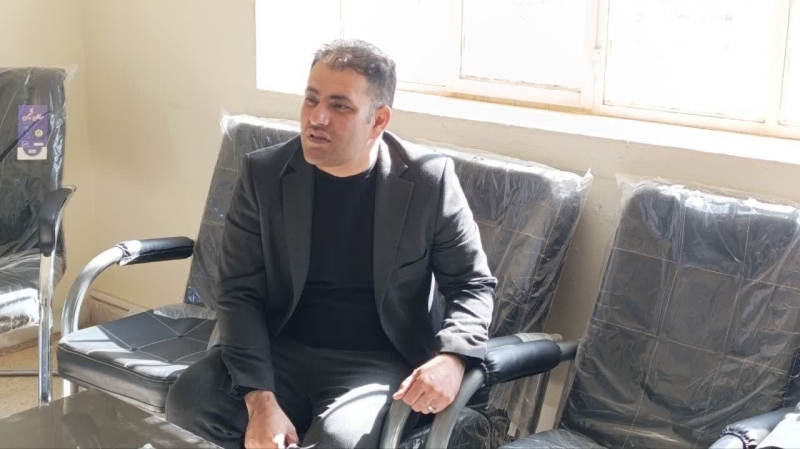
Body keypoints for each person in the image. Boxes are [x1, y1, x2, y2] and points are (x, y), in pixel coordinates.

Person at [165, 39, 496, 449]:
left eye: (339, 106)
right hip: (280, 346)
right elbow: (238, 292)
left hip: (376, 362)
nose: (316, 117)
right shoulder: (264, 174)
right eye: (311, 99)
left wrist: (453, 358)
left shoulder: (429, 181)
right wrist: (260, 400)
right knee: (190, 401)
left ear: (378, 120)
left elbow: (471, 284)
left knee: (340, 441)